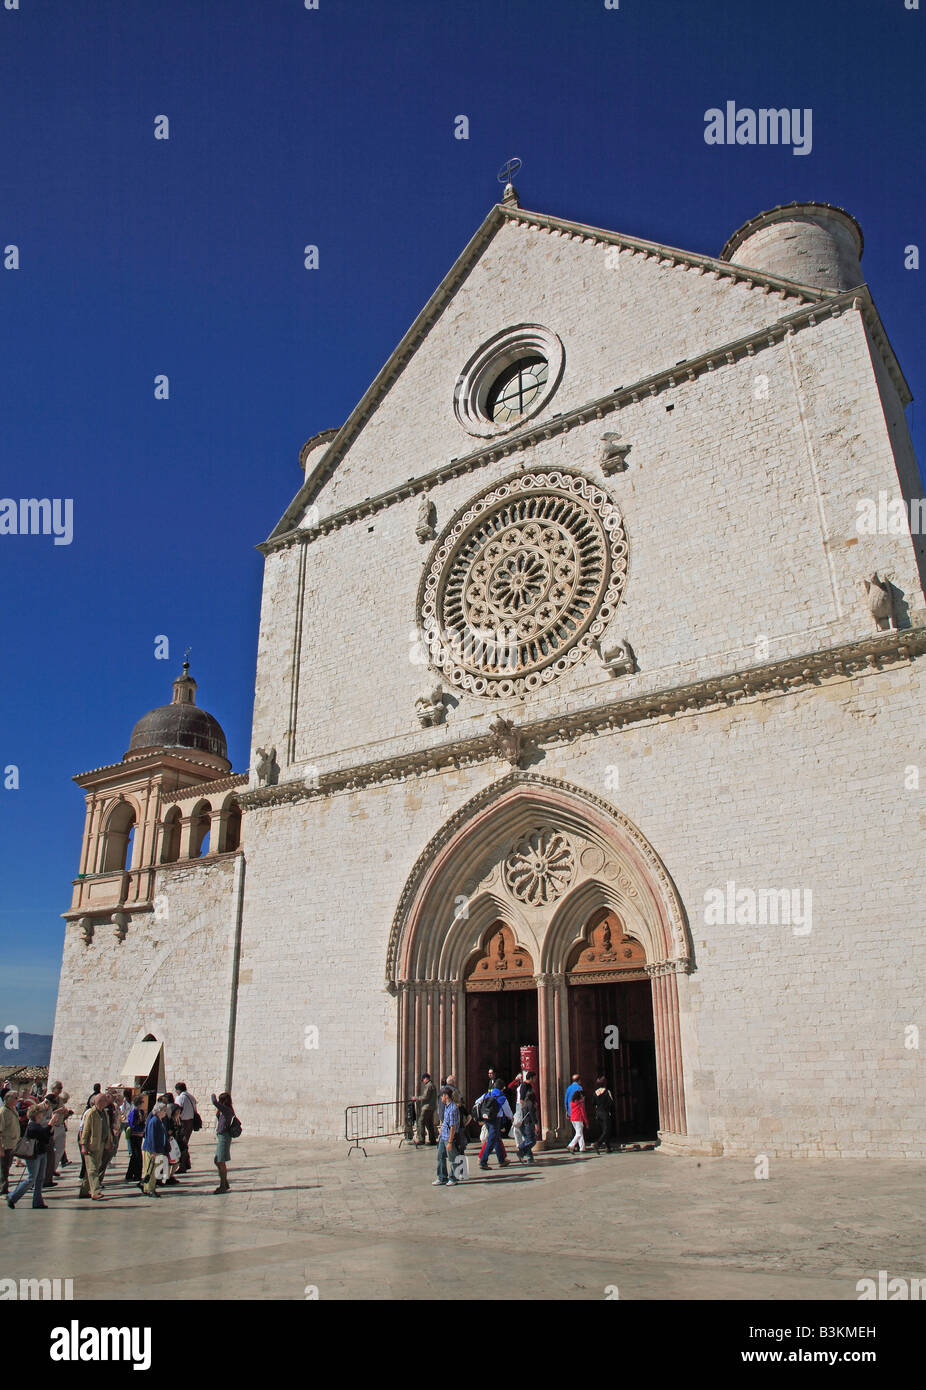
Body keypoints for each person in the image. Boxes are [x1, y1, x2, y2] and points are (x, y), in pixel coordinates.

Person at [6, 1104, 51, 1209]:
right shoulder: (32, 1126)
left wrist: (50, 1128)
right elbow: (44, 1135)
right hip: (34, 1155)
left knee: (40, 1179)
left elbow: (47, 1137)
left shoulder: (38, 1125)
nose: (42, 1115)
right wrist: (51, 1124)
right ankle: (12, 1197)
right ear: (36, 1114)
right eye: (40, 1113)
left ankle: (38, 1202)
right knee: (31, 1178)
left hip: (41, 1153)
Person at [78, 1094, 112, 1200]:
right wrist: (83, 1145)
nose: (106, 1102)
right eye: (105, 1101)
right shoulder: (91, 1113)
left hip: (100, 1144)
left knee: (94, 1168)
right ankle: (95, 1192)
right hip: (90, 1145)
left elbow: (107, 1127)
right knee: (92, 1169)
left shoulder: (104, 1112)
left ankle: (84, 1191)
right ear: (99, 1102)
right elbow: (85, 1130)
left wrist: (109, 1141)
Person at [475, 1079, 512, 1170]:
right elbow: (507, 1110)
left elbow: (477, 1101)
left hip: (487, 1119)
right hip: (495, 1120)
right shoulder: (501, 1096)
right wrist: (511, 1117)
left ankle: (502, 1160)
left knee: (497, 1139)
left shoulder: (488, 1094)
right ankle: (483, 1161)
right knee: (491, 1140)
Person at [432, 1085, 461, 1187]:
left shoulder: (453, 1108)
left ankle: (453, 1178)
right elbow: (447, 1123)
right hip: (443, 1136)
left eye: (441, 1096)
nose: (441, 1098)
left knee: (452, 1159)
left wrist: (450, 1141)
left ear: (446, 1096)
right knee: (440, 1157)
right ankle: (442, 1177)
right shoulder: (447, 1107)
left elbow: (453, 1126)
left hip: (449, 1138)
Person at [140, 1102, 170, 1198]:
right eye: (164, 1110)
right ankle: (150, 1189)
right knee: (151, 1170)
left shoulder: (159, 1120)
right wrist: (153, 1151)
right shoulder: (154, 1121)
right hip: (151, 1150)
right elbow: (151, 1137)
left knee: (152, 1169)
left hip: (156, 1149)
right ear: (159, 1111)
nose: (165, 1112)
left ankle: (147, 1187)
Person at [211, 1091, 237, 1194]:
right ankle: (225, 1183)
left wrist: (212, 1095)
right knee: (217, 1160)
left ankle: (223, 1185)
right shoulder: (225, 1110)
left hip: (224, 1137)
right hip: (221, 1136)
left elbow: (214, 1101)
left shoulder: (226, 1109)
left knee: (220, 1161)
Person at [0, 1089, 21, 1195]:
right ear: (8, 1099)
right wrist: (1, 1148)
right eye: (16, 1098)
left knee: (7, 1167)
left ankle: (4, 1188)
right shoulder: (3, 1112)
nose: (18, 1100)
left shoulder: (13, 1110)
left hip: (12, 1144)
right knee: (3, 1169)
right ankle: (2, 1190)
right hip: (5, 1144)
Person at [174, 1083, 198, 1173]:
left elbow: (177, 1110)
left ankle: (182, 1165)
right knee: (185, 1142)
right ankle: (187, 1163)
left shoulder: (180, 1098)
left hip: (183, 1122)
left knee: (181, 1144)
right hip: (190, 1122)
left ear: (178, 1090)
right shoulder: (191, 1097)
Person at [124, 1093, 146, 1182]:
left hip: (140, 1135)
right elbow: (132, 1124)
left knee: (135, 1156)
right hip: (134, 1136)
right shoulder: (133, 1112)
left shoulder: (142, 1112)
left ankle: (132, 1174)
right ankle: (134, 1175)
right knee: (136, 1156)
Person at [516, 1079, 539, 1164]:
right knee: (531, 1141)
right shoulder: (530, 1104)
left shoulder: (525, 1103)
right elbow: (532, 1115)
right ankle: (521, 1150)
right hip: (528, 1123)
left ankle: (530, 1157)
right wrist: (536, 1124)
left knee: (527, 1139)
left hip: (524, 1123)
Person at [593, 1075, 616, 1154]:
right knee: (606, 1130)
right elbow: (611, 1102)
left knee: (604, 1130)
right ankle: (598, 1143)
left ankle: (608, 1147)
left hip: (598, 1113)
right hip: (605, 1113)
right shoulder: (607, 1092)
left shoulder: (595, 1093)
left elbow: (593, 1103)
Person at [415, 1073, 437, 1146]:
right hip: (432, 1107)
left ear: (426, 1078)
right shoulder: (433, 1085)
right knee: (429, 1123)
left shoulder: (429, 1085)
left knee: (421, 1121)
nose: (423, 1081)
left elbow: (425, 1096)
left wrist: (417, 1098)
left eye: (423, 1079)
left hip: (427, 1107)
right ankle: (432, 1139)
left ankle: (421, 1139)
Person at [567, 1085, 588, 1154]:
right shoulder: (580, 1103)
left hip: (573, 1119)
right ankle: (571, 1145)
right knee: (578, 1134)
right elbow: (583, 1113)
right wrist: (586, 1122)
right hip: (578, 1119)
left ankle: (582, 1147)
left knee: (580, 1133)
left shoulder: (572, 1103)